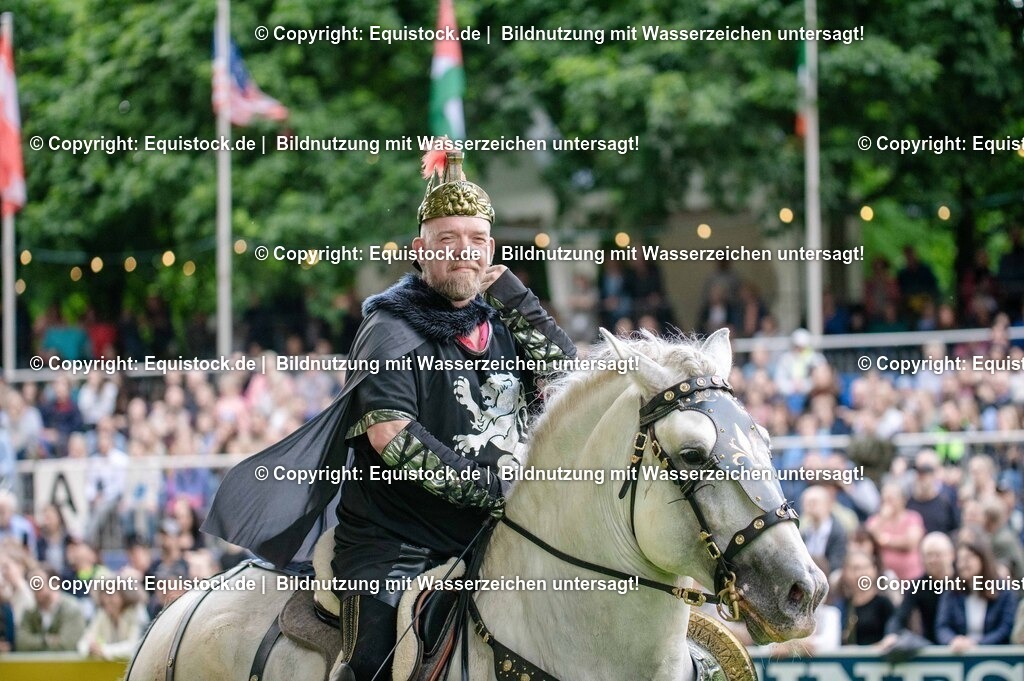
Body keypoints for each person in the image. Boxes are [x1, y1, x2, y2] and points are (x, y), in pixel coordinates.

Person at [203, 148, 576, 681]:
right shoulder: (389, 329)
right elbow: (392, 437)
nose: (463, 252)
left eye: (476, 240)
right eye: (448, 240)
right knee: (374, 662)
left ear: (491, 249)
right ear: (421, 251)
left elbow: (567, 381)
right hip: (398, 540)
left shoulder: (504, 320)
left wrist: (518, 299)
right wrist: (497, 490)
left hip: (498, 532)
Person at [935, 540, 1018, 650]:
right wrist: (953, 640)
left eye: (969, 558)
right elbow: (942, 626)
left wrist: (977, 644)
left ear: (983, 560)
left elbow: (1005, 628)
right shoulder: (951, 592)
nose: (964, 564)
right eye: (960, 560)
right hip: (959, 654)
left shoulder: (1004, 591)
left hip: (994, 654)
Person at [881, 532, 956, 646]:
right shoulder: (918, 585)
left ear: (951, 555)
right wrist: (892, 634)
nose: (933, 560)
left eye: (938, 555)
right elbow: (900, 616)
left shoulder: (962, 583)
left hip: (959, 645)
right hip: (930, 646)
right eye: (928, 555)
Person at [15, 564, 86, 652]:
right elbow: (21, 643)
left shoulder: (72, 609)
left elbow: (67, 644)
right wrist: (47, 640)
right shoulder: (30, 611)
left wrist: (35, 642)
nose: (35, 589)